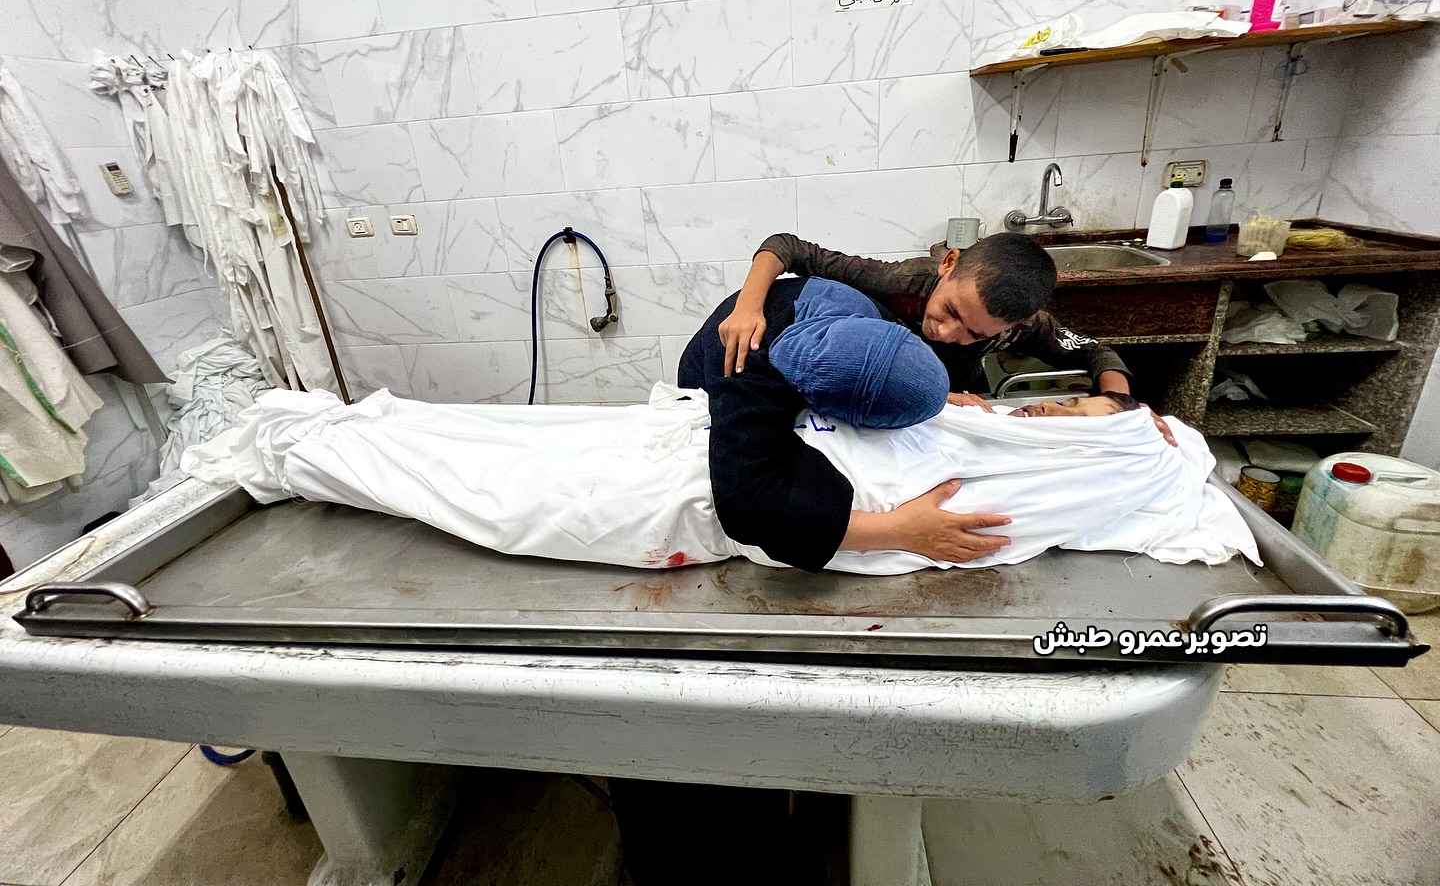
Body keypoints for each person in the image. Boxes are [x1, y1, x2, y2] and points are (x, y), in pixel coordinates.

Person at [186, 381, 1258, 577]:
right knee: (502, 433)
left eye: (1071, 415)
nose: (1049, 411)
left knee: (492, 490)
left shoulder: (1040, 485)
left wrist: (890, 531)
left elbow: (866, 535)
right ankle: (321, 430)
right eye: (1066, 405)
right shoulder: (985, 429)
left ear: (1091, 452)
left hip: (694, 500)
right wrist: (958, 415)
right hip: (705, 444)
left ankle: (299, 451)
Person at [676, 276, 1012, 572]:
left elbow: (885, 358)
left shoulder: (864, 310)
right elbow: (747, 511)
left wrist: (928, 388)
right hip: (713, 368)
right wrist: (898, 530)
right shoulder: (743, 376)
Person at [720, 232, 1133, 407]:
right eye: (951, 312)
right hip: (878, 390)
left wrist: (1119, 406)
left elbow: (1096, 353)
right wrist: (748, 307)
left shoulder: (1020, 326)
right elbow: (788, 246)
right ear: (948, 264)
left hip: (960, 404)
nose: (948, 334)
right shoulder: (901, 282)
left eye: (976, 335)